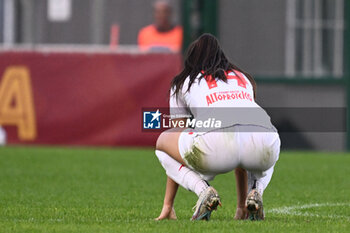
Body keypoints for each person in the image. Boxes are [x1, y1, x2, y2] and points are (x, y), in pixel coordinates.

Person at [154, 33, 281, 221]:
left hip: (214, 145)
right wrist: (240, 206)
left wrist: (168, 204)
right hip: (265, 139)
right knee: (260, 140)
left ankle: (203, 191)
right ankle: (255, 192)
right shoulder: (242, 78)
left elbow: (177, 135)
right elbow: (242, 148)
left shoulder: (183, 82)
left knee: (163, 145)